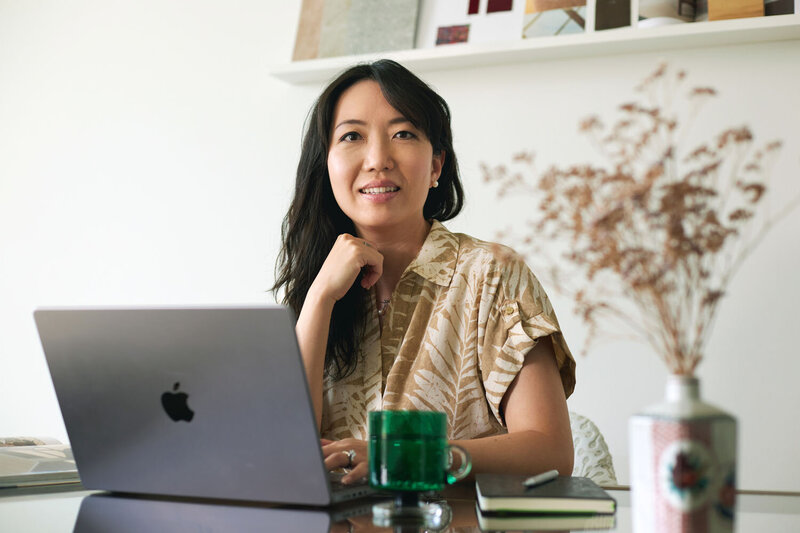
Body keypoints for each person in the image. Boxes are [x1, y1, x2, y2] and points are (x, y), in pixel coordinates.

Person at [273, 59, 576, 485]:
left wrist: (403, 456)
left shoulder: (492, 275)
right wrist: (320, 298)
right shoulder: (314, 289)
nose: (378, 159)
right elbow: (282, 460)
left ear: (436, 166)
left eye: (402, 134)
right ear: (326, 164)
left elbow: (551, 452)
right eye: (352, 136)